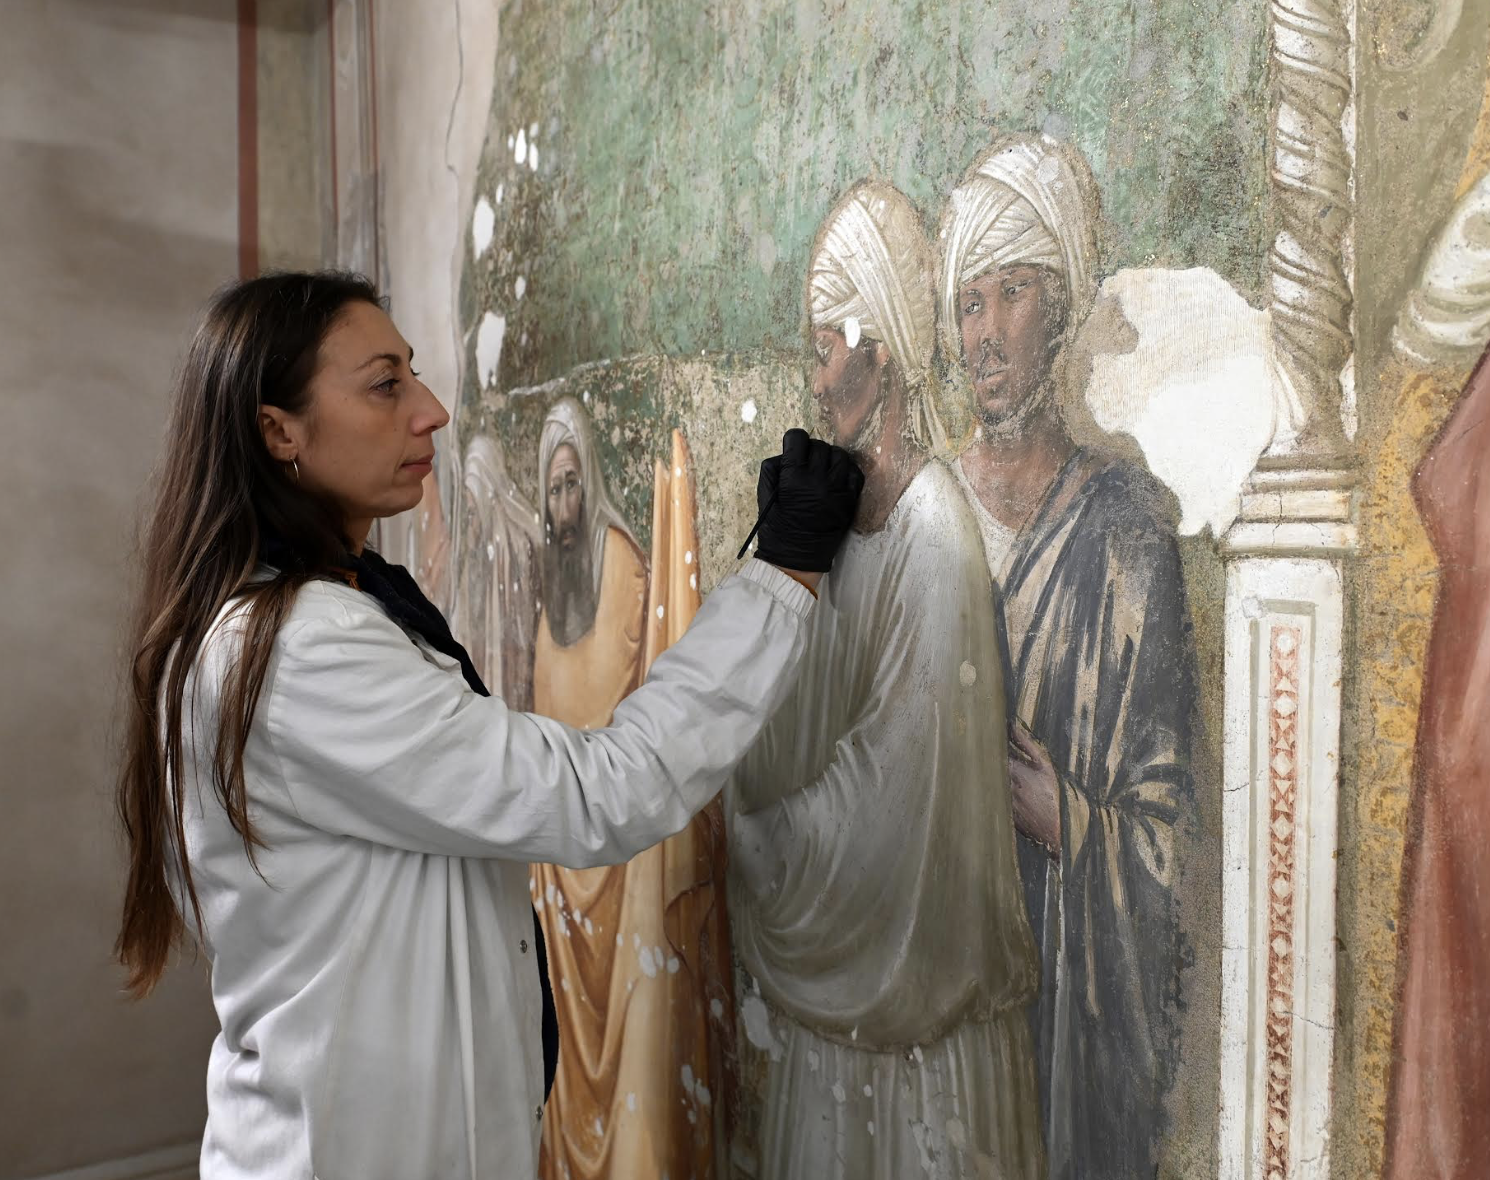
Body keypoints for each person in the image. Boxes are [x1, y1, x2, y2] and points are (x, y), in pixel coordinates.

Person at [112, 271, 863, 1180]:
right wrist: (782, 575)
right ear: (279, 430)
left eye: (415, 376)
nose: (429, 411)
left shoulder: (300, 617)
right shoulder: (300, 652)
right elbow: (598, 791)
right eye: (385, 384)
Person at [726, 181, 1044, 1180]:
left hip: (915, 1026)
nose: (815, 381)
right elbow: (794, 717)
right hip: (837, 1029)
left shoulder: (934, 535)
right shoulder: (835, 527)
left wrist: (759, 837)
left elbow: (897, 788)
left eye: (826, 349)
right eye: (812, 351)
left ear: (879, 351)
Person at [940, 134, 1199, 1178]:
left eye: (1011, 294)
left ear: (1058, 307)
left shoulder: (1128, 531)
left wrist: (1071, 823)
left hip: (1063, 1022)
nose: (986, 333)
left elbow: (1176, 835)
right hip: (937, 985)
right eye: (968, 303)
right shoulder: (922, 520)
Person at [527, 401, 716, 1180]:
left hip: (616, 846)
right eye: (552, 492)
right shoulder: (553, 581)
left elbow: (634, 708)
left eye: (573, 487)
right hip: (562, 872)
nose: (563, 508)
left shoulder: (623, 565)